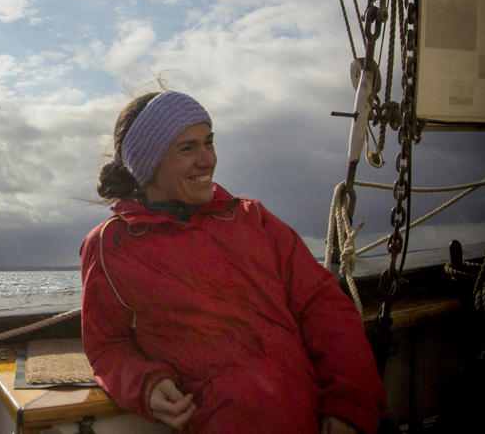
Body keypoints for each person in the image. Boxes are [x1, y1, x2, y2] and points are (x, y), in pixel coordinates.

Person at [80, 90, 386, 434]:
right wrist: (145, 386)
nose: (207, 159)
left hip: (311, 416)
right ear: (149, 164)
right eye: (187, 148)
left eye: (208, 143)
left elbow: (323, 307)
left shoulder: (252, 218)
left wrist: (349, 405)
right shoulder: (112, 246)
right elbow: (108, 346)